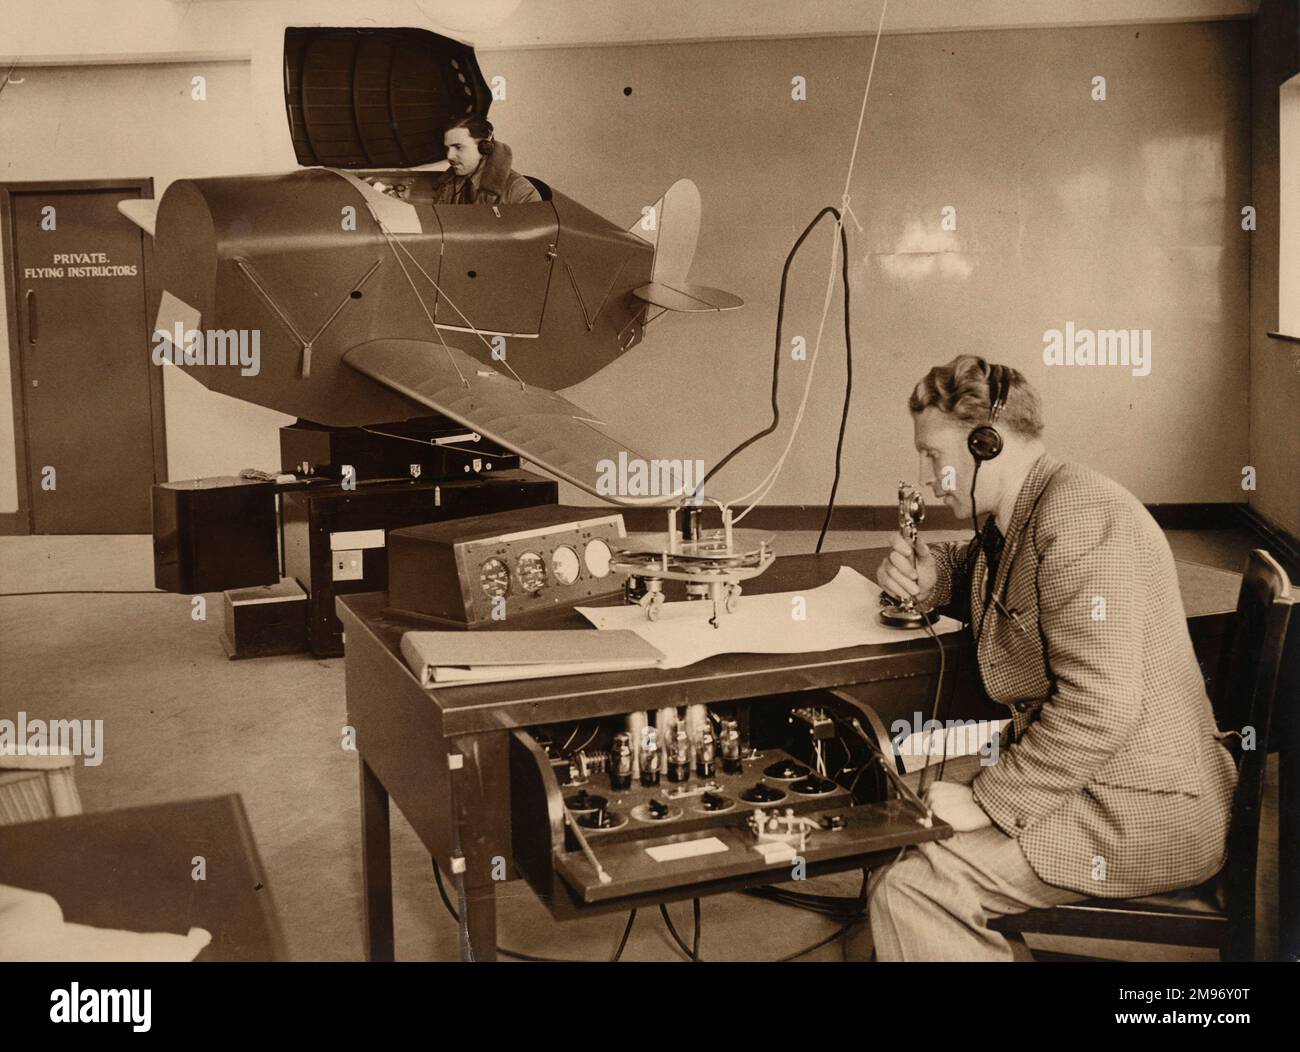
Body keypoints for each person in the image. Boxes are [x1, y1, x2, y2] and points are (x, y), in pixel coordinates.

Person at [869, 354, 1236, 961]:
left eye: (934, 455)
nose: (931, 476)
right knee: (890, 803)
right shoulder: (1028, 508)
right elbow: (998, 579)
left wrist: (987, 800)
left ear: (985, 443)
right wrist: (933, 578)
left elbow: (1100, 707)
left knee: (915, 889)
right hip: (1097, 778)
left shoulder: (1078, 514)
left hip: (1143, 810)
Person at [429, 117, 541, 206]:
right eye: (447, 149)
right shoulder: (447, 185)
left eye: (458, 147)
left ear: (484, 147)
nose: (450, 156)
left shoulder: (520, 192)